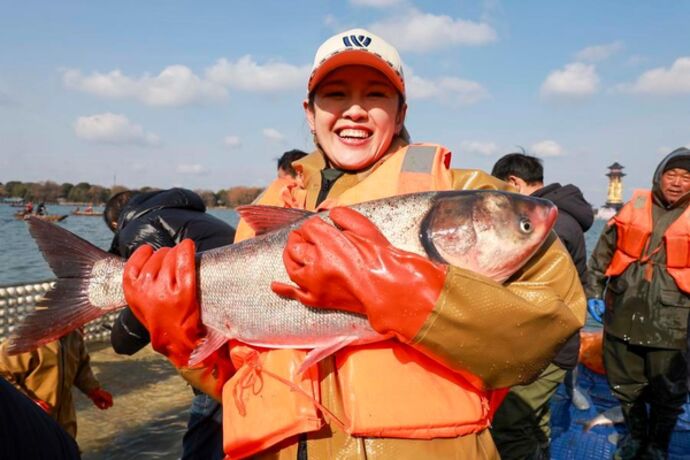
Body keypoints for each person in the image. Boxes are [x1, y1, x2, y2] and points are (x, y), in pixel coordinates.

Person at [120, 28, 585, 459]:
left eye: (376, 94)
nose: (355, 110)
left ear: (401, 113)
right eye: (336, 94)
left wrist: (401, 292)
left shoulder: (474, 196)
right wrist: (182, 340)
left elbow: (546, 330)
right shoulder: (265, 209)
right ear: (310, 112)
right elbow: (236, 383)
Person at [105, 187, 236, 460]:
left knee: (204, 436)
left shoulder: (139, 230)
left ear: (117, 224)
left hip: (217, 349)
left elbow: (155, 296)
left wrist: (118, 338)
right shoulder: (194, 217)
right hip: (240, 330)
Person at [587, 147, 690, 459]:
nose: (677, 183)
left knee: (669, 390)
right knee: (624, 383)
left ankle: (657, 445)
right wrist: (594, 292)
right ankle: (635, 436)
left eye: (686, 177)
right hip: (623, 311)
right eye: (672, 175)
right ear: (659, 176)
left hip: (673, 323)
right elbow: (602, 254)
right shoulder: (633, 208)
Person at [490, 152, 594, 459]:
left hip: (546, 347)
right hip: (555, 342)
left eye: (498, 191)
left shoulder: (546, 224)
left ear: (513, 182)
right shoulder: (557, 215)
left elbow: (527, 289)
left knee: (509, 424)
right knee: (535, 420)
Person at [0, 330, 113, 439]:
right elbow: (3, 374)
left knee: (66, 444)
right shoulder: (26, 340)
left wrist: (93, 390)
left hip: (66, 421)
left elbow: (81, 366)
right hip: (32, 422)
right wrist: (28, 404)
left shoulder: (74, 336)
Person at [0, 376, 81, 459]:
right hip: (30, 422)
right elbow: (6, 374)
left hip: (62, 425)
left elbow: (81, 371)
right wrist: (28, 400)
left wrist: (91, 389)